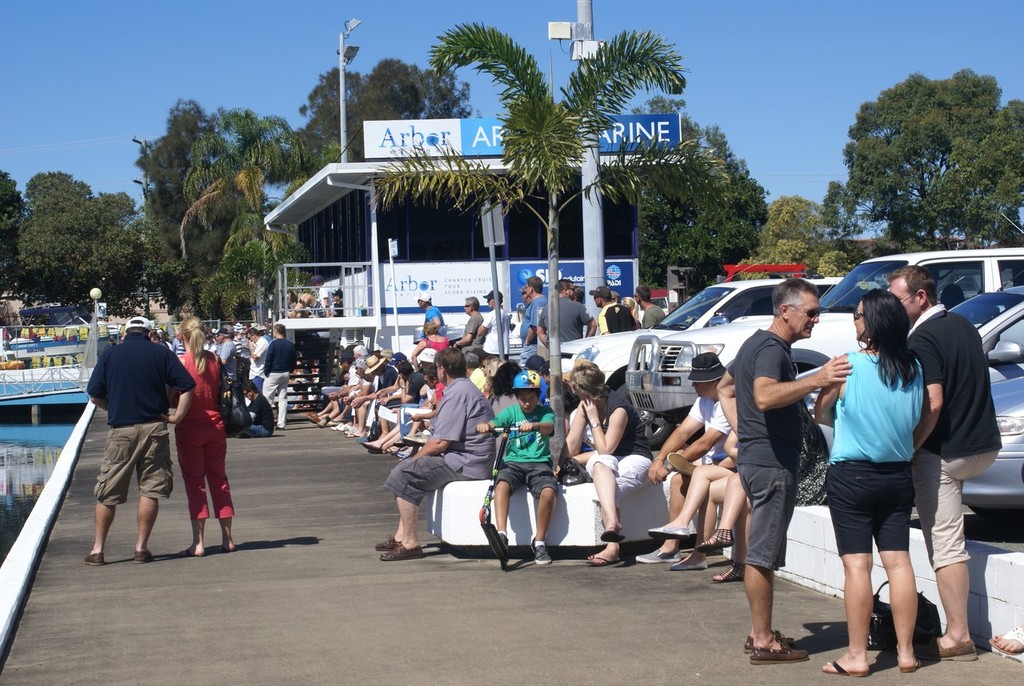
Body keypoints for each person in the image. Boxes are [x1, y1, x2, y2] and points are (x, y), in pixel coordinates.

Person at [717, 278, 852, 665]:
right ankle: (763, 639)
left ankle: (759, 631)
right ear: (785, 311)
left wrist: (742, 431)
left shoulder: (755, 344)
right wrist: (819, 378)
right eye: (811, 313)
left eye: (818, 313)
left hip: (760, 460)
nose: (816, 320)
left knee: (762, 549)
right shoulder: (772, 349)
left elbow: (726, 388)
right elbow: (762, 394)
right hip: (772, 465)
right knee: (763, 553)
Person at [888, 266, 1001, 662]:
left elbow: (933, 402)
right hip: (983, 446)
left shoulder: (922, 337)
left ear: (921, 298)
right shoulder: (965, 324)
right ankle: (959, 630)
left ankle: (958, 635)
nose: (892, 307)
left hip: (944, 454)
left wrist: (912, 447)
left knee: (947, 545)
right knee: (952, 536)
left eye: (896, 300)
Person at [814, 290, 925, 676]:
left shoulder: (849, 366)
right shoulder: (914, 367)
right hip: (897, 475)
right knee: (899, 563)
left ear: (873, 322)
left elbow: (821, 411)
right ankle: (907, 652)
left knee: (858, 567)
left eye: (859, 315)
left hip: (853, 475)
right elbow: (923, 414)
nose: (854, 321)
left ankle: (857, 656)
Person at [84, 316, 196, 566]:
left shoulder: (111, 354)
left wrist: (114, 407)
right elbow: (187, 385)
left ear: (125, 334)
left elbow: (94, 395)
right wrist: (177, 416)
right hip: (154, 428)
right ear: (148, 333)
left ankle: (98, 550)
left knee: (107, 492)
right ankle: (141, 548)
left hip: (121, 430)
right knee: (150, 489)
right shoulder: (161, 353)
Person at [377, 348, 496, 560]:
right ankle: (401, 536)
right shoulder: (463, 388)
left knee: (403, 474)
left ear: (442, 370)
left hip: (466, 463)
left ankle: (410, 543)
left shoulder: (457, 393)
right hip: (467, 458)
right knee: (406, 471)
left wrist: (415, 458)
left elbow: (440, 443)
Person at [644, 353, 734, 571]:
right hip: (713, 465)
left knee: (700, 483)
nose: (693, 384)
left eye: (697, 381)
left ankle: (697, 553)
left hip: (732, 466)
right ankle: (671, 546)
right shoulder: (704, 400)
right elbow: (682, 432)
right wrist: (659, 458)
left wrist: (668, 465)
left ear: (713, 381)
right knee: (678, 481)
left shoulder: (728, 402)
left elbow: (705, 443)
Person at [565, 361, 653, 566]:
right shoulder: (583, 405)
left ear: (580, 388)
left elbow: (606, 449)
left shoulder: (618, 407)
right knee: (599, 465)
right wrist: (561, 463)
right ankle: (613, 525)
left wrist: (594, 419)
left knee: (602, 473)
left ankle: (612, 547)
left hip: (635, 458)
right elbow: (572, 444)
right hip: (607, 461)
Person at [475, 370, 556, 565]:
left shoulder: (546, 412)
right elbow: (495, 423)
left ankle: (540, 542)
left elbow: (549, 427)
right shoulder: (511, 412)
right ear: (517, 397)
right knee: (501, 485)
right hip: (513, 462)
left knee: (548, 492)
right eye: (522, 398)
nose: (527, 402)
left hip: (539, 463)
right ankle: (501, 534)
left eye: (531, 398)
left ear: (538, 396)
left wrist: (535, 425)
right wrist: (486, 426)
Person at [173, 317, 237, 558]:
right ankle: (228, 539)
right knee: (219, 480)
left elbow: (175, 395)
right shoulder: (213, 360)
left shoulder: (180, 362)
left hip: (190, 427)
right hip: (215, 425)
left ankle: (198, 543)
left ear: (182, 336)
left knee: (195, 483)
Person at [538, 278, 596, 347]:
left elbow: (539, 332)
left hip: (554, 354)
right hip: (574, 352)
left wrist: (551, 347)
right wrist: (585, 344)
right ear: (566, 290)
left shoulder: (546, 308)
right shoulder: (578, 307)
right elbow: (593, 325)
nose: (574, 292)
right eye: (572, 289)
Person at [262, 323, 297, 431]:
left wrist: (266, 372)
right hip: (285, 372)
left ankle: (266, 422)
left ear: (276, 332)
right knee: (283, 398)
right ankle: (281, 424)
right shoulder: (290, 344)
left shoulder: (273, 344)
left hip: (273, 372)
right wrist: (290, 369)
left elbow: (268, 359)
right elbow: (293, 359)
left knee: (267, 398)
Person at [519, 276, 546, 365]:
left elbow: (534, 326)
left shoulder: (537, 302)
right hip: (532, 344)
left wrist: (527, 342)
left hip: (532, 344)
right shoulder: (537, 301)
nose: (525, 290)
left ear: (531, 289)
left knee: (523, 367)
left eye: (526, 287)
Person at [477, 290, 510, 360]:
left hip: (492, 350)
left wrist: (485, 331)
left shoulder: (491, 314)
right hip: (504, 350)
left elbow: (480, 332)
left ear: (493, 301)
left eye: (488, 300)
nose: (487, 302)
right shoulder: (505, 314)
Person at [246, 325, 268, 392]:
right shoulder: (257, 343)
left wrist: (251, 348)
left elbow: (255, 357)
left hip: (258, 374)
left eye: (250, 338)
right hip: (253, 373)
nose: (250, 341)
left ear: (254, 335)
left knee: (258, 394)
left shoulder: (262, 342)